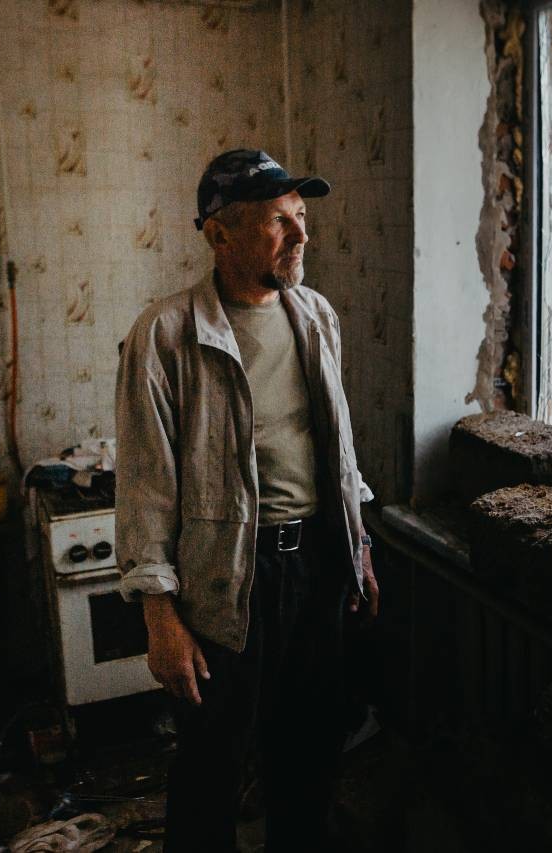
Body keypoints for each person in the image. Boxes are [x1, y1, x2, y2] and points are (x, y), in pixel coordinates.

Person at [114, 148, 379, 852]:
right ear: (218, 233)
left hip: (316, 563)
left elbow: (338, 444)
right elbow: (143, 485)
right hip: (226, 575)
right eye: (278, 221)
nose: (301, 236)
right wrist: (159, 614)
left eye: (301, 217)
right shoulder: (165, 335)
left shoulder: (315, 315)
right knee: (212, 764)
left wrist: (359, 542)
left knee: (310, 754)